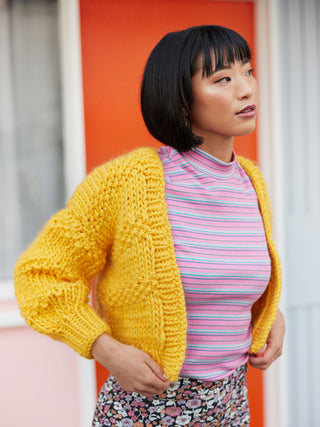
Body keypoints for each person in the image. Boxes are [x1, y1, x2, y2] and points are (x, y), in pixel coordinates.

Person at [14, 25, 284, 426]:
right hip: (145, 411)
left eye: (247, 71)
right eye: (223, 79)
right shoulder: (126, 183)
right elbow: (40, 275)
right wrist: (103, 348)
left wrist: (269, 316)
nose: (246, 89)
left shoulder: (250, 182)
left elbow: (229, 279)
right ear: (179, 100)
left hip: (230, 405)